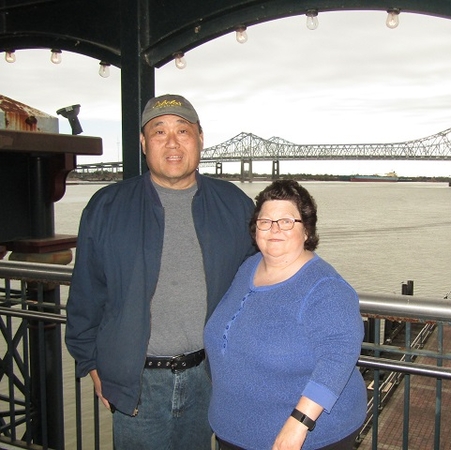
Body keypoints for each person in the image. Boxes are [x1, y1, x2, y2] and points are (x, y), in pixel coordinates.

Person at [65, 94, 256, 449]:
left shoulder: (236, 205)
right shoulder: (106, 207)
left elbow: (264, 285)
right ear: (142, 142)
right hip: (137, 382)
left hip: (210, 377)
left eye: (183, 130)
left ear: (200, 138)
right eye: (159, 131)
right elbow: (86, 296)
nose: (172, 142)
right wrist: (92, 365)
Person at [204, 179, 367, 450]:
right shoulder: (249, 267)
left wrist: (299, 423)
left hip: (303, 438)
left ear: (306, 230)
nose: (274, 229)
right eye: (265, 221)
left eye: (287, 221)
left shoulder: (325, 287)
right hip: (234, 431)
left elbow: (338, 356)